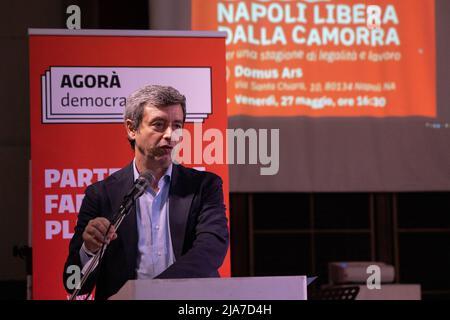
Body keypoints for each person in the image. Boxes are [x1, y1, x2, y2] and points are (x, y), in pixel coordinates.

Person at [63, 85, 229, 300]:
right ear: (132, 129)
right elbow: (71, 282)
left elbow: (211, 250)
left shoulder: (204, 186)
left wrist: (154, 291)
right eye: (159, 125)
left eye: (177, 125)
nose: (170, 135)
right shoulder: (100, 195)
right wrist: (89, 250)